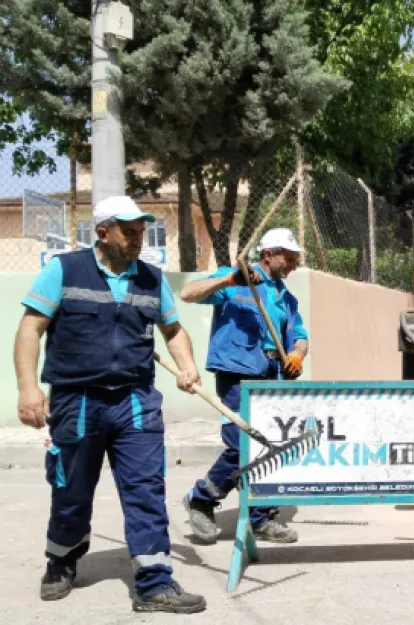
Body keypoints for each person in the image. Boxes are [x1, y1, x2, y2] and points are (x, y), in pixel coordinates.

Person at [15, 196, 207, 613]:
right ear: (102, 232)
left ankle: (155, 581)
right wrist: (29, 388)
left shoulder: (152, 280)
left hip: (135, 400)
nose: (140, 239)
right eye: (130, 231)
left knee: (146, 489)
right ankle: (62, 559)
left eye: (142, 231)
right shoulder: (63, 271)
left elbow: (173, 330)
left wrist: (188, 366)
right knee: (71, 488)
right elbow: (31, 328)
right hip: (77, 400)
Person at [179, 227, 309, 545]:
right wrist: (229, 280)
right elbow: (188, 294)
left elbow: (300, 335)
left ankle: (260, 518)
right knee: (242, 444)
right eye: (289, 259)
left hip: (271, 376)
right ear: (269, 255)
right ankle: (201, 500)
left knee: (271, 445)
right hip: (237, 375)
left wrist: (296, 353)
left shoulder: (285, 298)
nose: (293, 265)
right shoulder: (237, 280)